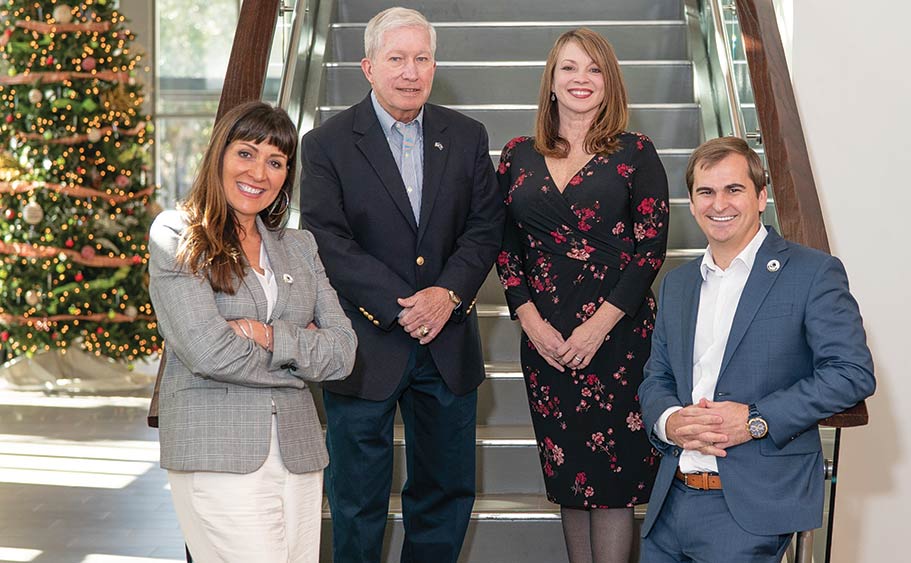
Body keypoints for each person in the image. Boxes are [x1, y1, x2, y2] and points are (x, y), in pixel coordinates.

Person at [298, 7, 504, 563]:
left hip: (447, 343)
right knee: (356, 501)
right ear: (368, 67)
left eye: (422, 58)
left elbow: (486, 228)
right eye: (397, 59)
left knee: (444, 494)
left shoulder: (465, 136)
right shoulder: (326, 144)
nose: (411, 71)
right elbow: (328, 239)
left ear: (434, 65)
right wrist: (402, 307)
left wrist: (447, 295)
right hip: (365, 347)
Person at [638, 136, 876, 562]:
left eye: (734, 189)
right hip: (670, 503)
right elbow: (657, 377)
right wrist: (669, 421)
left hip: (750, 508)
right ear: (691, 204)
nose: (719, 204)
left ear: (761, 196)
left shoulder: (812, 272)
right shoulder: (678, 284)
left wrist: (755, 421)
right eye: (705, 192)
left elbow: (851, 372)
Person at [147, 101, 358, 563]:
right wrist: (300, 358)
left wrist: (265, 335)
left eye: (276, 161)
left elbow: (342, 353)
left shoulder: (299, 246)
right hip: (217, 454)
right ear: (219, 154)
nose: (259, 172)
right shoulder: (177, 234)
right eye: (246, 153)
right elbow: (208, 352)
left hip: (299, 458)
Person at [495, 28, 669, 563]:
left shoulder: (636, 152)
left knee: (614, 486)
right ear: (550, 81)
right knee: (569, 478)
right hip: (545, 339)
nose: (581, 79)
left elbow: (650, 251)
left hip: (617, 339)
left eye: (594, 69)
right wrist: (530, 322)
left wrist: (597, 327)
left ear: (609, 82)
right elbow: (503, 248)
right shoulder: (516, 154)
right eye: (569, 68)